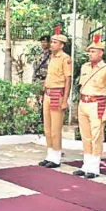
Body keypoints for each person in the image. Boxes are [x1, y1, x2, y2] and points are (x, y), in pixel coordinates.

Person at [75, 34, 106, 179]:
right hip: (83, 103)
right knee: (85, 136)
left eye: (93, 51)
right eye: (89, 51)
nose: (90, 54)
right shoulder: (85, 67)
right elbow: (81, 86)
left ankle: (95, 166)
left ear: (101, 53)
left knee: (96, 136)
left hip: (97, 104)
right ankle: (86, 164)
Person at [38, 25, 72, 169]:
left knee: (55, 128)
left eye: (54, 42)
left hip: (58, 94)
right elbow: (49, 76)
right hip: (48, 93)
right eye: (51, 42)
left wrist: (65, 100)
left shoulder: (65, 59)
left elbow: (67, 79)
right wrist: (43, 92)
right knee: (47, 127)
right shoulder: (51, 57)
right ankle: (50, 153)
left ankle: (56, 156)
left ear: (62, 45)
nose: (51, 44)